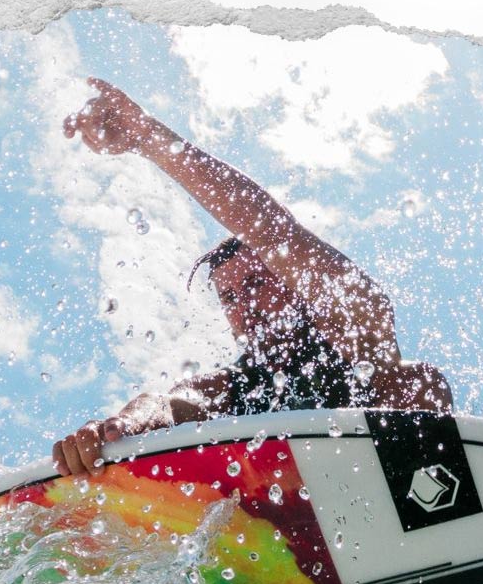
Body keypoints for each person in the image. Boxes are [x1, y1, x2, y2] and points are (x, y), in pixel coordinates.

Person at [53, 78, 453, 479]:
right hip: (299, 513)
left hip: (405, 489)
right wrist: (118, 429)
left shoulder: (356, 326)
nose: (243, 307)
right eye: (228, 298)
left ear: (293, 284)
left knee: (418, 380)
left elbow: (271, 231)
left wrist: (147, 137)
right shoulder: (237, 387)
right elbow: (169, 403)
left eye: (256, 286)